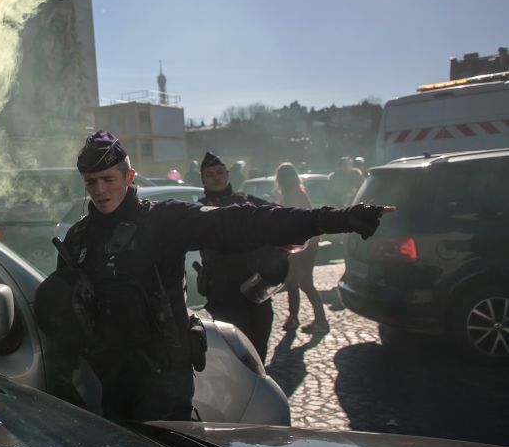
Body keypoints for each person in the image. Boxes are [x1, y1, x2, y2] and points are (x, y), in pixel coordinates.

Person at [36, 131, 389, 425]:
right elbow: (63, 317)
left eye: (108, 180)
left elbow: (241, 222)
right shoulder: (79, 239)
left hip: (165, 388)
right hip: (109, 390)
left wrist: (333, 219)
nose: (99, 191)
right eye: (91, 183)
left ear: (129, 178)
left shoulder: (162, 222)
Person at [195, 151, 283, 361]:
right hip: (223, 294)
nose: (216, 177)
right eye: (210, 174)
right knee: (236, 355)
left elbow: (281, 218)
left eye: (219, 172)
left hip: (255, 288)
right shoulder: (197, 211)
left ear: (227, 174)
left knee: (258, 350)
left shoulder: (249, 203)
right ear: (203, 179)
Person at [275, 162, 328, 334]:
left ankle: (321, 322)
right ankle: (294, 318)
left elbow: (296, 219)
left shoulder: (295, 194)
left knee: (304, 282)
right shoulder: (294, 192)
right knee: (292, 281)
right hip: (300, 244)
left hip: (305, 244)